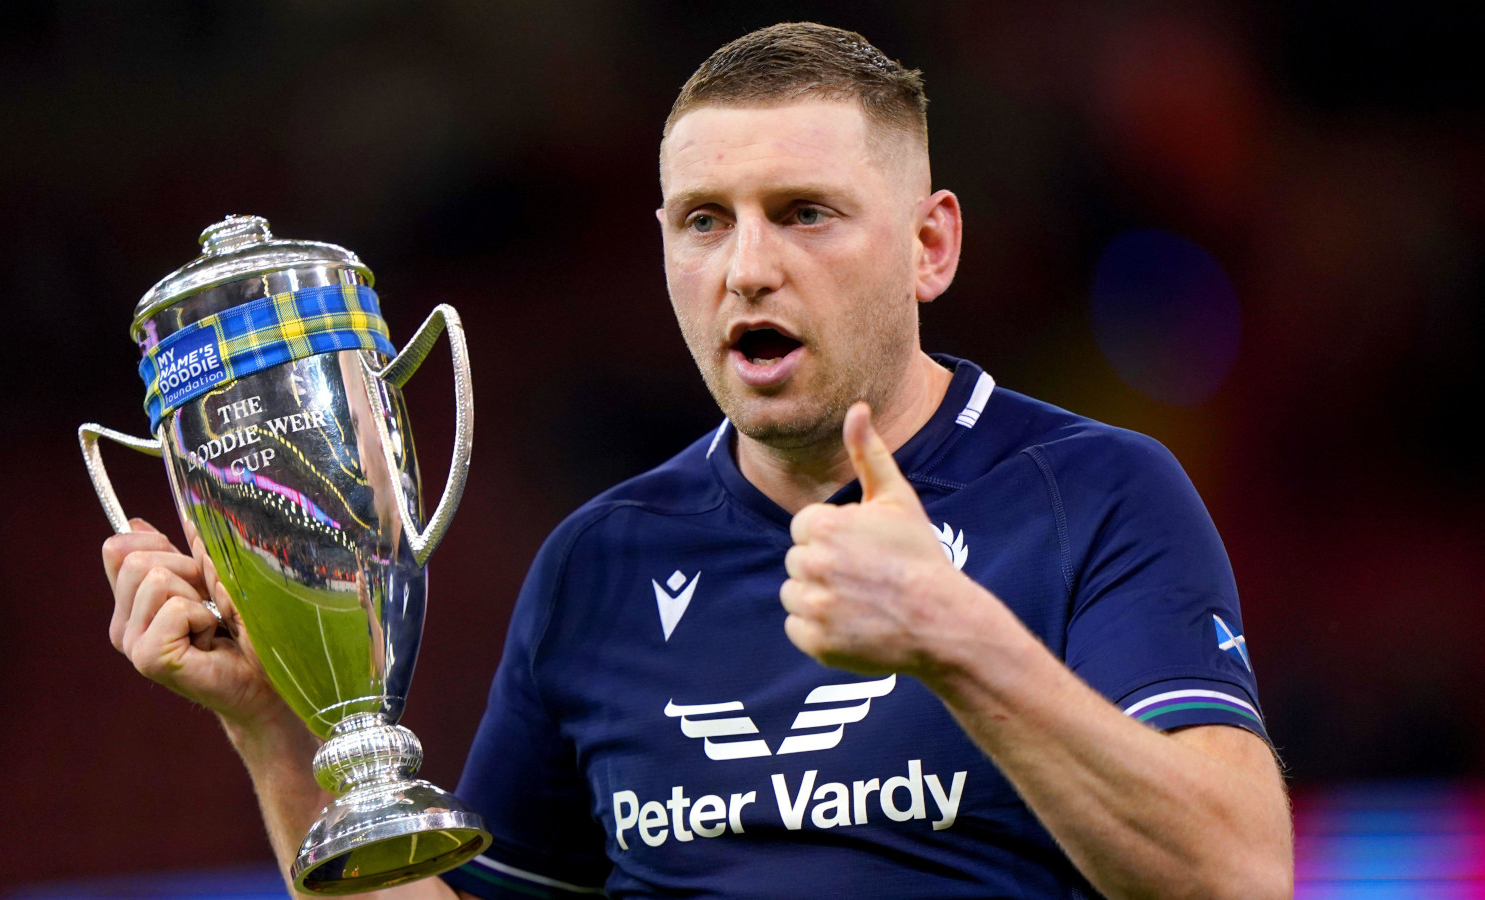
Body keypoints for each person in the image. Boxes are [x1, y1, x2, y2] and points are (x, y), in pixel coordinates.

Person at [103, 23, 1292, 900]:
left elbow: (1235, 877)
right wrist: (271, 728)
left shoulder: (1092, 492)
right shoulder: (599, 562)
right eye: (704, 220)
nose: (747, 268)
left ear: (930, 245)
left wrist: (954, 636)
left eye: (805, 212)